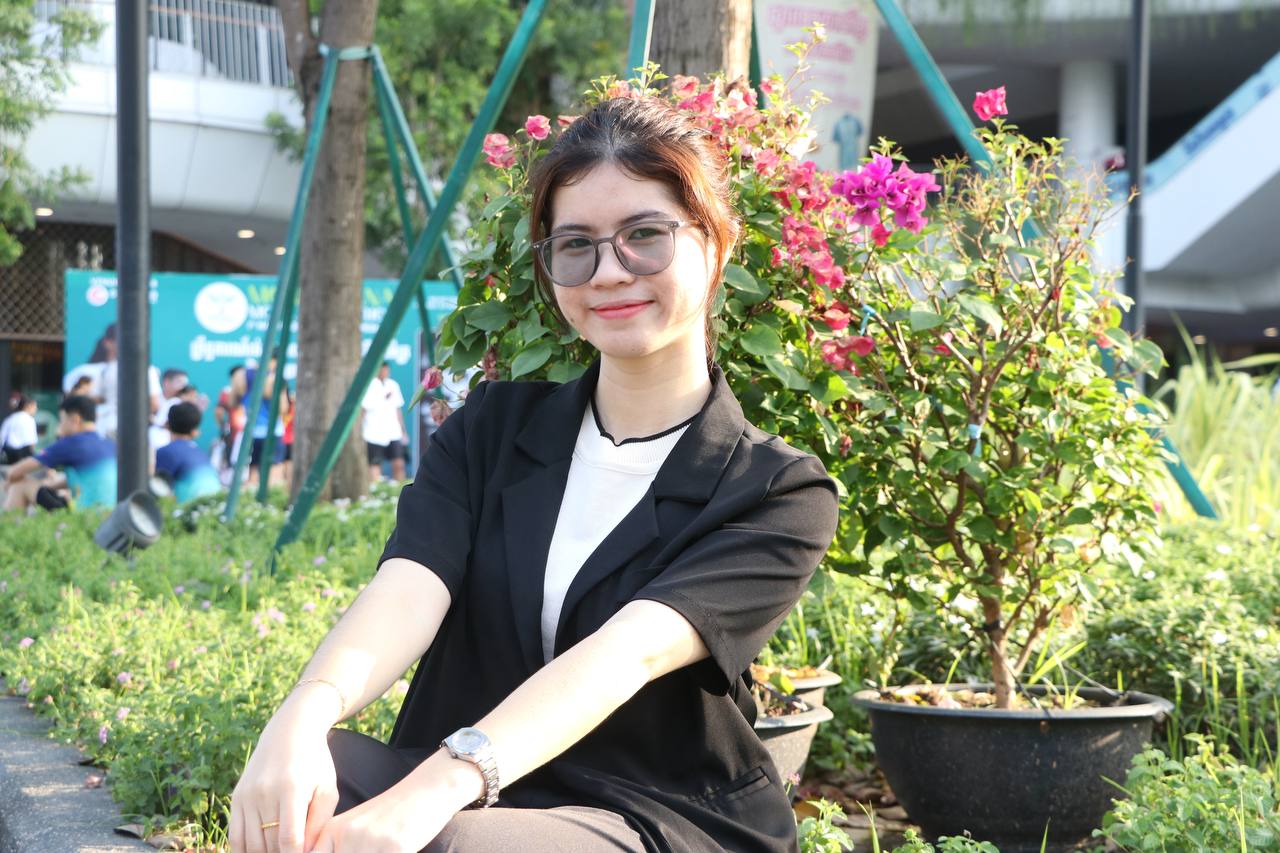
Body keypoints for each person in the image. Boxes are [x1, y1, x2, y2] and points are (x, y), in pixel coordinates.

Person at [228, 96, 839, 853]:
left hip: (652, 812)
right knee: (298, 788)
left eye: (645, 236)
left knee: (447, 843)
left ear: (716, 243)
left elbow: (628, 653)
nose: (609, 272)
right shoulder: (492, 428)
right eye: (575, 246)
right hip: (484, 789)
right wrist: (300, 716)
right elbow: (408, 588)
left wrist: (432, 791)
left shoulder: (775, 489)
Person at [4, 395, 117, 512]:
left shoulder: (71, 443)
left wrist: (9, 484)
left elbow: (13, 472)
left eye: (62, 420)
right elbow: (84, 481)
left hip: (83, 515)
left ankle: (9, 523)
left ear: (75, 420)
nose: (59, 426)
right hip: (109, 515)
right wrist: (44, 485)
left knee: (19, 485)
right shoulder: (109, 444)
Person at [155, 402, 221, 503]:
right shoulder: (201, 453)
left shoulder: (164, 452)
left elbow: (157, 490)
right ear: (195, 431)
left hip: (189, 508)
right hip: (213, 506)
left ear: (167, 425)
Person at [361, 360, 409, 482]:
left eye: (387, 369)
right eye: (382, 369)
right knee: (375, 464)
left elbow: (397, 410)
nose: (385, 372)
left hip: (393, 431)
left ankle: (400, 489)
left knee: (399, 463)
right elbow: (363, 410)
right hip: (373, 432)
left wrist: (403, 431)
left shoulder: (393, 385)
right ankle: (376, 490)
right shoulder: (368, 385)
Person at [0, 395, 39, 465]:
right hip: (23, 457)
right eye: (35, 406)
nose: (36, 409)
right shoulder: (29, 419)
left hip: (9, 456)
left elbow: (1, 438)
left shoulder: (10, 419)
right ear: (28, 406)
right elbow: (31, 443)